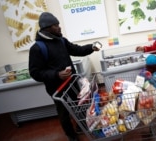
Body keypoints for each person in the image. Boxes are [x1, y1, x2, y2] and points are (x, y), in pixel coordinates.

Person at [29, 12, 100, 141]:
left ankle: (82, 125)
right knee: (64, 112)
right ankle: (71, 135)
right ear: (47, 28)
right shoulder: (37, 48)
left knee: (79, 104)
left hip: (71, 82)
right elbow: (35, 73)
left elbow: (75, 50)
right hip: (56, 88)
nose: (59, 27)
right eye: (56, 25)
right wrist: (56, 74)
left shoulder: (61, 40)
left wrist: (91, 47)